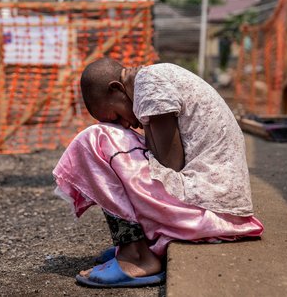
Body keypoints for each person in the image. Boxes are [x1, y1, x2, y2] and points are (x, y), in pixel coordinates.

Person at [53, 58, 264, 288]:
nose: (124, 124)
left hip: (210, 206)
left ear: (117, 88)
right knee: (114, 144)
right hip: (217, 203)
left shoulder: (149, 84)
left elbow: (169, 164)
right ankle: (134, 246)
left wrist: (140, 129)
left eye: (115, 116)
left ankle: (137, 257)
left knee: (94, 140)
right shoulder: (151, 81)